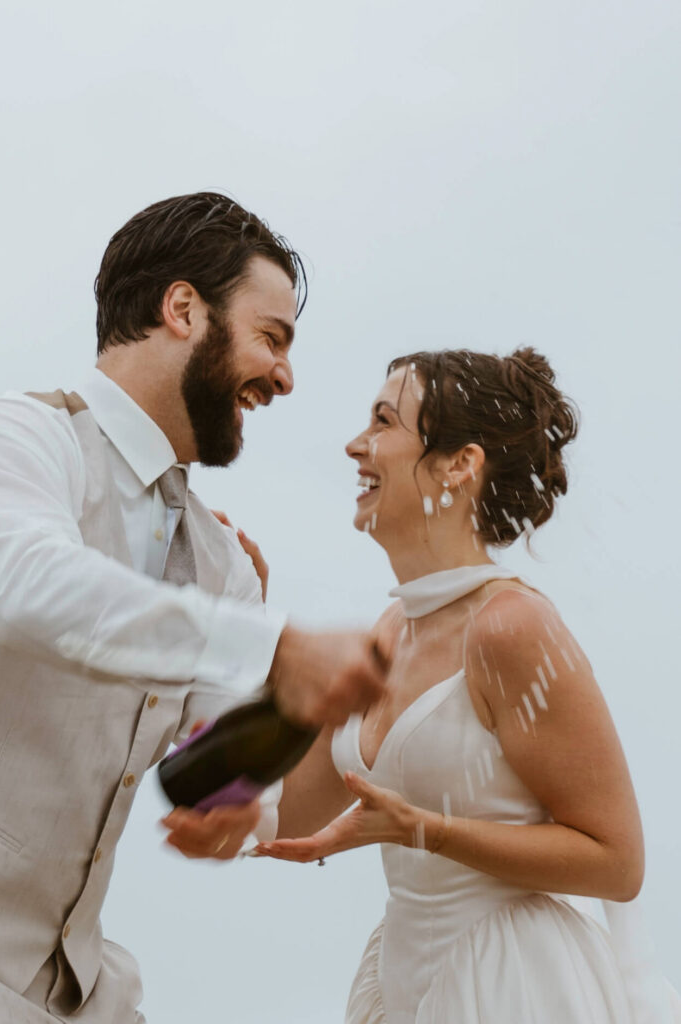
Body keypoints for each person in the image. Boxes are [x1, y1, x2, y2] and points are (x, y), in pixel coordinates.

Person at [0, 192, 388, 1023]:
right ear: (183, 309)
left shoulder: (224, 569)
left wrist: (237, 805)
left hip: (73, 991)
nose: (285, 376)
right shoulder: (3, 439)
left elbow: (219, 760)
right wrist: (276, 647)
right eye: (271, 338)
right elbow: (32, 592)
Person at [256, 348, 681, 1022]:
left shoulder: (512, 629)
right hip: (403, 980)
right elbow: (279, 811)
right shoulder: (390, 629)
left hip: (513, 987)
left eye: (383, 421)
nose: (354, 445)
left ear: (459, 464)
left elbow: (616, 861)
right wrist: (244, 634)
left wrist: (422, 830)